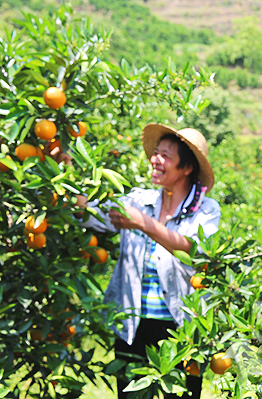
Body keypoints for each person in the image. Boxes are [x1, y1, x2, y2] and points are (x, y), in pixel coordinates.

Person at [78, 123, 220, 398]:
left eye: (166, 156)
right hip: (132, 323)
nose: (156, 160)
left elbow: (192, 248)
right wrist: (65, 185)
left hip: (181, 326)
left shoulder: (205, 210)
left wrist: (144, 224)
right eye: (156, 153)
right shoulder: (137, 201)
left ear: (187, 168)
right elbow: (91, 214)